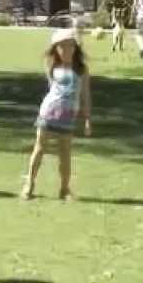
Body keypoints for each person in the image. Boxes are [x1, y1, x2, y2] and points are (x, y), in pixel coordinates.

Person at [21, 27, 92, 200]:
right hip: (49, 113)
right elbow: (52, 88)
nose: (67, 50)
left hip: (67, 117)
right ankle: (29, 184)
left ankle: (65, 189)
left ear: (75, 49)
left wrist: (87, 119)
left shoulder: (81, 71)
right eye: (63, 46)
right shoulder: (52, 66)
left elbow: (85, 95)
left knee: (65, 154)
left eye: (71, 46)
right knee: (39, 149)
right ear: (56, 48)